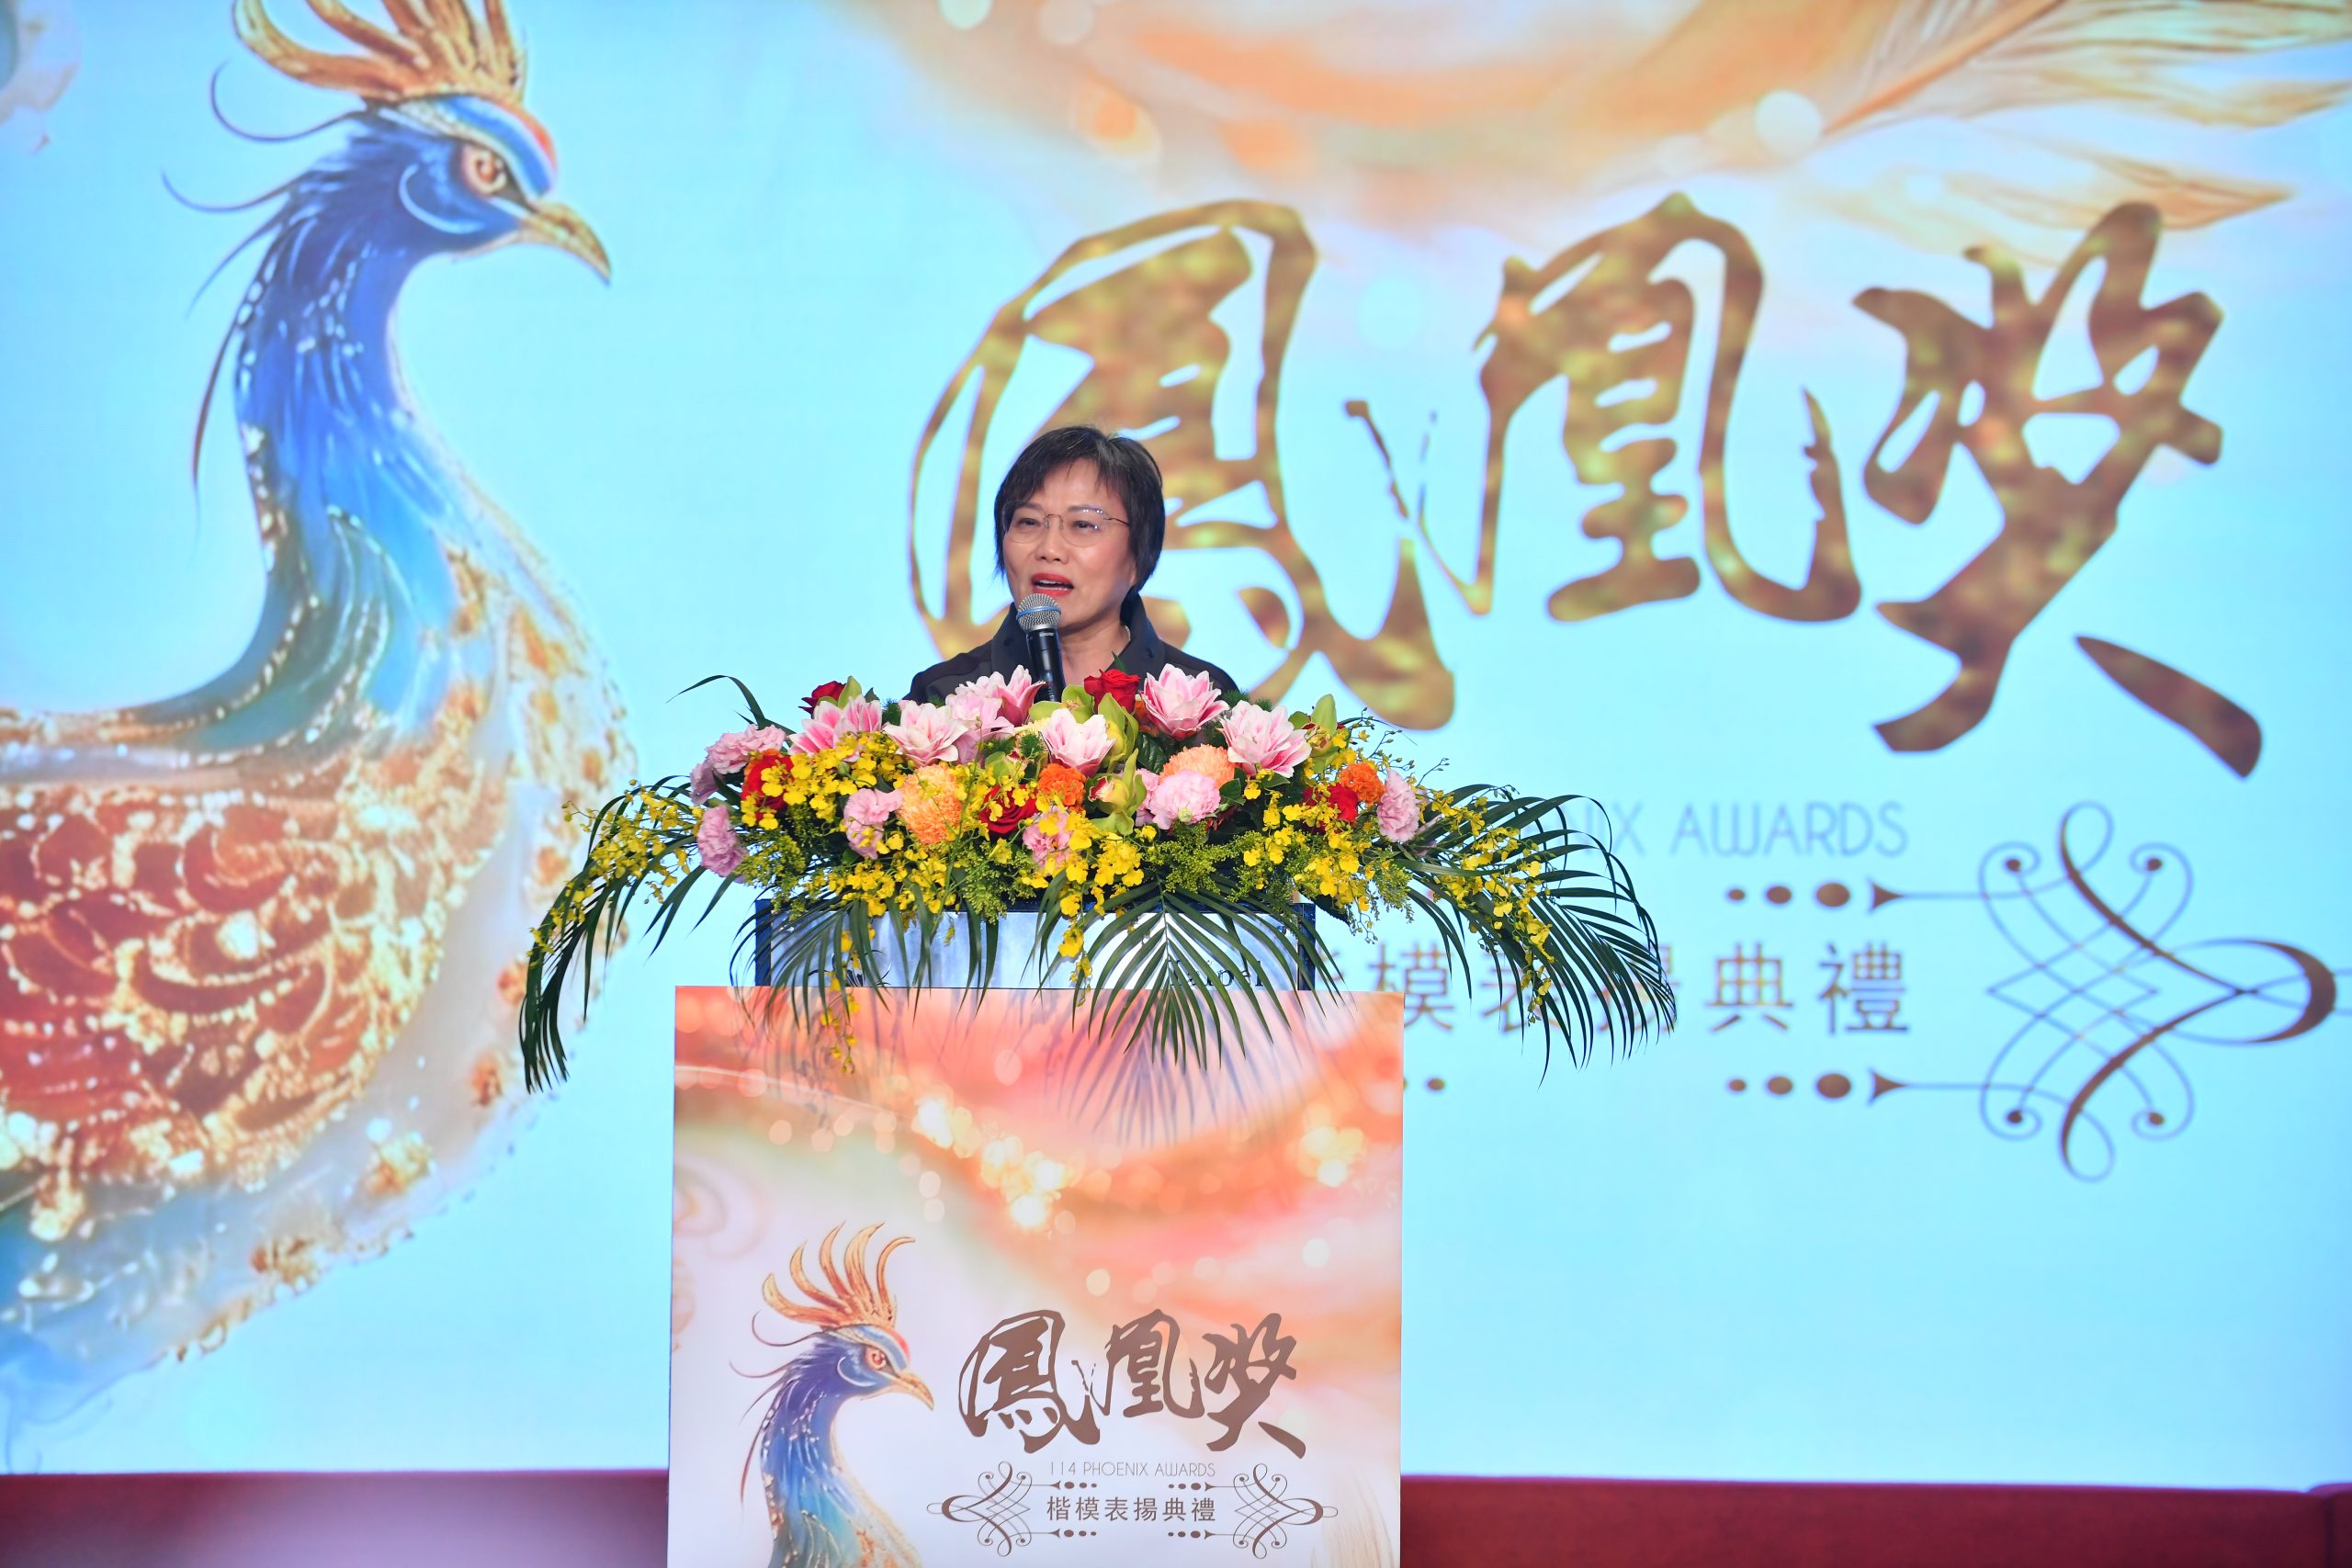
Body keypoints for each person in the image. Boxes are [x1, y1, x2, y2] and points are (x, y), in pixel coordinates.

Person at [905, 425, 1241, 705]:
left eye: (1083, 525)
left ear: (1139, 557)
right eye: (1028, 522)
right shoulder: (944, 700)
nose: (1049, 549)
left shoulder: (1201, 703)